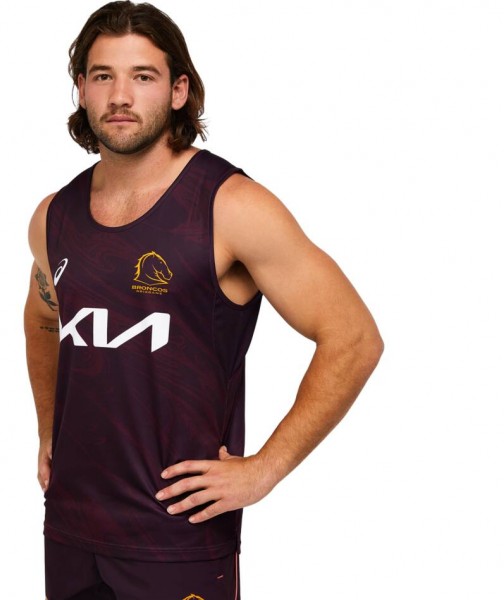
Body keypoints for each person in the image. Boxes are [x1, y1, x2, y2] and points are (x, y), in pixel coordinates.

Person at [24, 2, 384, 598]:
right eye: (103, 76)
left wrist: (264, 469)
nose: (121, 96)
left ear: (178, 91)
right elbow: (43, 315)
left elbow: (353, 336)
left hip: (179, 535)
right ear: (81, 89)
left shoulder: (231, 206)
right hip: (71, 526)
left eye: (143, 76)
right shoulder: (53, 216)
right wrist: (48, 431)